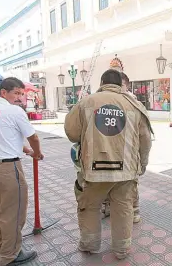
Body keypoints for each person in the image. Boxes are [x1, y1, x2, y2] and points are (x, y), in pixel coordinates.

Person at [64, 69, 152, 259]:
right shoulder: (134, 105)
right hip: (126, 172)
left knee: (90, 206)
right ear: (121, 84)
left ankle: (90, 244)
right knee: (123, 209)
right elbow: (145, 140)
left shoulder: (86, 102)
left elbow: (71, 133)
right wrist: (142, 164)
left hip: (93, 172)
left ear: (102, 82)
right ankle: (121, 250)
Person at [0, 77, 44, 265]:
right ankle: (10, 255)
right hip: (7, 169)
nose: (20, 98)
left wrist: (25, 150)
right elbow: (33, 137)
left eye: (22, 94)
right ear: (3, 92)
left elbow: (3, 135)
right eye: (16, 93)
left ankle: (0, 246)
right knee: (14, 214)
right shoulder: (14, 111)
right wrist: (37, 153)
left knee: (1, 212)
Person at [100, 72, 145, 222]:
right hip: (110, 150)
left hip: (125, 152)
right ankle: (108, 207)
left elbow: (143, 134)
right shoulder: (104, 100)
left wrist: (142, 160)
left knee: (129, 186)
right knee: (108, 181)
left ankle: (134, 210)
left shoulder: (132, 102)